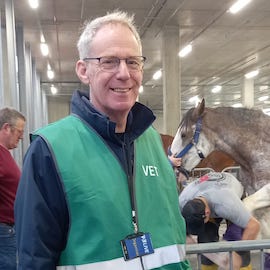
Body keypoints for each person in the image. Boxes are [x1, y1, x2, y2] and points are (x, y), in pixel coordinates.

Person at [15, 10, 191, 270]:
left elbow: (174, 240)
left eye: (133, 61)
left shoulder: (153, 142)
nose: (124, 73)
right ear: (84, 70)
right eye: (109, 61)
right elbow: (34, 260)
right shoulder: (50, 150)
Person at [179, 171, 260, 270]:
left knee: (239, 241)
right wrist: (217, 259)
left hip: (231, 196)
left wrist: (239, 253)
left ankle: (244, 266)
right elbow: (183, 233)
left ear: (207, 213)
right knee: (205, 239)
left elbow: (253, 226)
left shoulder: (228, 204)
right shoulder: (182, 201)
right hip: (209, 192)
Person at [0, 107, 25, 270]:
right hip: (4, 230)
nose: (21, 137)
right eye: (19, 132)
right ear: (7, 128)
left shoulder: (4, 154)